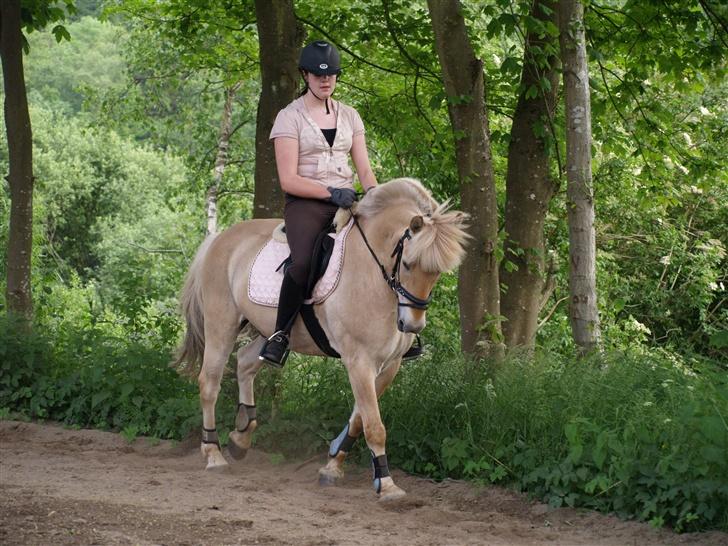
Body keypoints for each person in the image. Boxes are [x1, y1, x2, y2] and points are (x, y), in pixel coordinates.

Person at [259, 40, 422, 367]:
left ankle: (404, 333)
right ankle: (280, 335)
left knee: (391, 248)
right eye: (319, 75)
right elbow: (288, 179)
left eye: (331, 75)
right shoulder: (288, 118)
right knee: (303, 263)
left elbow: (363, 168)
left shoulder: (349, 116)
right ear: (305, 75)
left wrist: (374, 193)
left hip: (349, 200)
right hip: (306, 204)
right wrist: (330, 193)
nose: (325, 80)